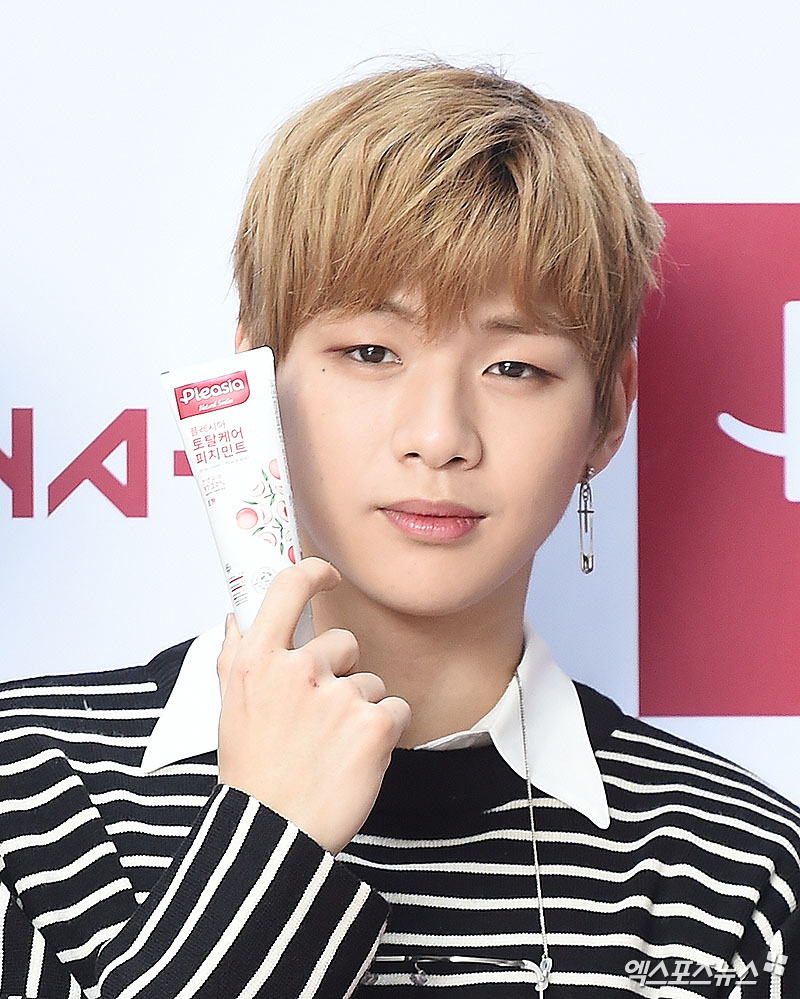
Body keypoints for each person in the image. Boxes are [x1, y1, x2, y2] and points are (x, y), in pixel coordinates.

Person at [0, 63, 797, 999]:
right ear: (258, 376)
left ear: (608, 416)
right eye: (371, 352)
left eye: (516, 367)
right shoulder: (30, 794)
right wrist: (269, 836)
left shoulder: (735, 872)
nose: (439, 438)